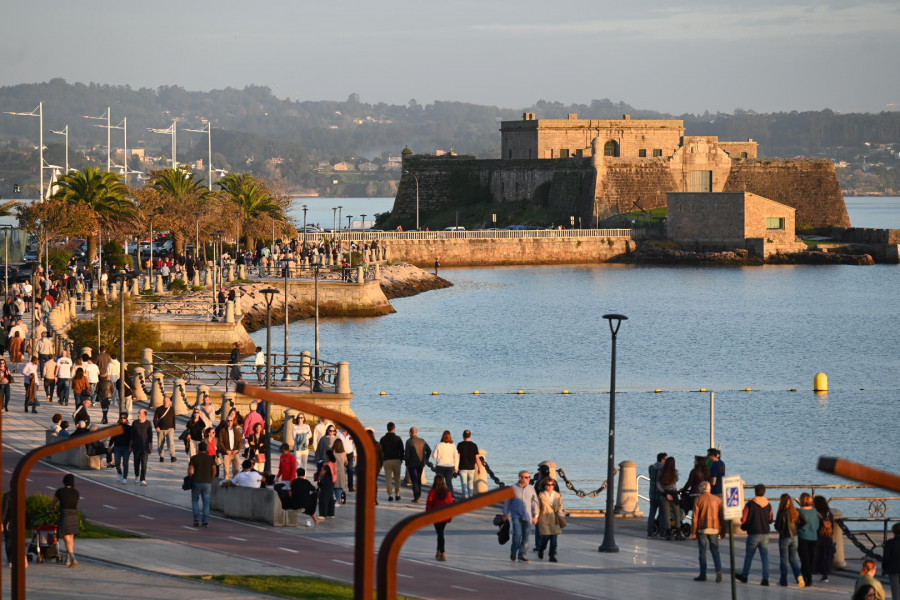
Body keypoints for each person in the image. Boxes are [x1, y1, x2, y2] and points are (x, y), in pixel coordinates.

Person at [736, 483, 773, 586]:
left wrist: (744, 525)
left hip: (753, 533)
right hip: (765, 533)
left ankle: (745, 576)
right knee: (764, 557)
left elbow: (744, 519)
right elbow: (770, 519)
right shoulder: (768, 504)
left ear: (755, 492)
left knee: (749, 556)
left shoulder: (750, 504)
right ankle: (765, 579)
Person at [691, 480, 725, 582]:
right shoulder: (717, 499)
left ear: (701, 488)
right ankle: (718, 570)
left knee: (702, 552)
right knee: (715, 551)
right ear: (710, 488)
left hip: (702, 529)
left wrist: (694, 532)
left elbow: (695, 517)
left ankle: (703, 574)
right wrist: (723, 530)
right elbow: (721, 516)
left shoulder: (698, 499)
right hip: (714, 528)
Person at [503, 470, 539, 562]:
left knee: (526, 537)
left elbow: (535, 502)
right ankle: (514, 551)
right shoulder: (513, 488)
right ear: (520, 478)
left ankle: (522, 554)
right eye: (526, 477)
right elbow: (507, 502)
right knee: (517, 535)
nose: (528, 479)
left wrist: (536, 515)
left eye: (529, 477)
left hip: (528, 516)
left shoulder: (531, 488)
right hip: (516, 516)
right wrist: (505, 514)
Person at [775, 493, 806, 587]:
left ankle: (783, 581)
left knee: (783, 560)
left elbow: (777, 526)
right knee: (793, 559)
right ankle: (799, 576)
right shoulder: (795, 511)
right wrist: (797, 528)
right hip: (794, 537)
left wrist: (781, 530)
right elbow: (805, 521)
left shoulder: (781, 513)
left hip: (784, 538)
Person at [51, 474, 80, 567]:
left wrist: (52, 509)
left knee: (66, 537)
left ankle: (72, 557)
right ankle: (67, 559)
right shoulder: (76, 492)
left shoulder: (60, 491)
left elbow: (54, 502)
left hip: (65, 514)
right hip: (74, 514)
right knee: (71, 537)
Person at [426, 474, 454, 561]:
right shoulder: (448, 492)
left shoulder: (433, 492)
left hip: (436, 516)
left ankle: (443, 553)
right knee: (440, 533)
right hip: (445, 516)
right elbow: (450, 504)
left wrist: (428, 514)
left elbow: (429, 504)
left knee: (440, 534)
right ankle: (438, 551)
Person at [188, 441, 216, 527]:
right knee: (206, 502)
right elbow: (214, 470)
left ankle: (196, 519)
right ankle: (205, 521)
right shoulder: (211, 459)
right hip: (207, 482)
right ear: (206, 449)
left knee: (195, 501)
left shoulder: (194, 458)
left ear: (198, 449)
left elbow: (190, 470)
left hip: (197, 481)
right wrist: (211, 479)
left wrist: (190, 477)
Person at [536, 477, 564, 562]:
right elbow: (538, 507)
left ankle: (551, 556)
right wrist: (536, 516)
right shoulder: (541, 495)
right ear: (544, 486)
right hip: (544, 518)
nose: (550, 486)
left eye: (552, 485)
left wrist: (560, 515)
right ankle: (541, 548)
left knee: (554, 539)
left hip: (555, 519)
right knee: (546, 537)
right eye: (548, 485)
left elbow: (560, 506)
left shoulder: (557, 495)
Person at [657, 456, 685, 540]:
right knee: (676, 513)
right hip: (673, 494)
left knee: (667, 514)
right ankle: (678, 532)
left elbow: (658, 484)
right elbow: (677, 480)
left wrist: (664, 492)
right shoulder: (675, 472)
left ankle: (668, 533)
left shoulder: (661, 472)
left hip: (664, 495)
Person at [404, 427, 431, 503]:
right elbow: (429, 451)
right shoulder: (422, 441)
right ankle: (418, 494)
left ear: (410, 433)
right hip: (420, 464)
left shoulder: (409, 442)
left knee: (414, 481)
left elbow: (407, 455)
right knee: (418, 479)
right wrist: (425, 459)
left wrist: (407, 464)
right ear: (417, 432)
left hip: (412, 464)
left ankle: (416, 496)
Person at [814, 495, 836, 582]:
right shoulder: (829, 514)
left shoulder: (816, 514)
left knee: (817, 556)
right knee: (827, 556)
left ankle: (815, 571)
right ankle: (825, 575)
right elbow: (832, 526)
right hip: (828, 538)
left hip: (818, 538)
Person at [380, 422, 404, 502]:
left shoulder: (383, 439)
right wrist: (401, 459)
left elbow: (381, 451)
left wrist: (382, 460)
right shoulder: (398, 438)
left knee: (388, 479)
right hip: (397, 460)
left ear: (387, 428)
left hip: (387, 461)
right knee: (397, 479)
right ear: (394, 428)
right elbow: (402, 450)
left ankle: (390, 495)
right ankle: (397, 494)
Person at [432, 430, 459, 498]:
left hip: (440, 465)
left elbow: (434, 456)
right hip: (450, 466)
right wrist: (456, 468)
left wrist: (439, 456)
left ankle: (439, 496)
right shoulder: (453, 446)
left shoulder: (438, 445)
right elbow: (456, 457)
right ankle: (451, 496)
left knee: (440, 482)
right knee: (449, 482)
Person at [217, 411, 243, 479]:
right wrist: (226, 451)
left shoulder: (236, 430)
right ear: (226, 421)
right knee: (226, 471)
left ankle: (234, 482)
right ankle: (226, 484)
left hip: (235, 452)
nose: (229, 422)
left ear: (233, 421)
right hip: (226, 453)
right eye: (228, 421)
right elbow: (220, 442)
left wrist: (237, 449)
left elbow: (240, 441)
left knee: (237, 469)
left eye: (231, 421)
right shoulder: (222, 431)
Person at [131, 409, 153, 485]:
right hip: (136, 447)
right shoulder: (135, 423)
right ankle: (137, 475)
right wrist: (130, 446)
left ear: (144, 414)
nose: (138, 414)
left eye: (140, 413)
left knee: (144, 463)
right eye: (138, 413)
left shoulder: (148, 423)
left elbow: (150, 436)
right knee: (136, 463)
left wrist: (151, 446)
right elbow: (132, 436)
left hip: (145, 447)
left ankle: (142, 479)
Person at [647, 452, 667, 537]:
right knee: (662, 514)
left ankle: (650, 532)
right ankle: (662, 533)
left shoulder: (651, 467)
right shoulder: (664, 469)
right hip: (661, 494)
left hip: (652, 493)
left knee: (652, 513)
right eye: (666, 459)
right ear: (662, 459)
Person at [456, 430, 479, 500]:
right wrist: (480, 468)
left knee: (464, 483)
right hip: (471, 467)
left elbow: (457, 457)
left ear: (463, 436)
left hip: (462, 467)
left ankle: (465, 497)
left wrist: (456, 467)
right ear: (470, 436)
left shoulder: (460, 445)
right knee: (470, 483)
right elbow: (477, 458)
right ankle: (470, 497)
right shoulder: (474, 445)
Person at [317, 450, 337, 519]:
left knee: (323, 498)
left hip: (326, 482)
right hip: (332, 482)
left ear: (328, 456)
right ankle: (331, 513)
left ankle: (323, 514)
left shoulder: (328, 465)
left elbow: (322, 473)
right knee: (330, 498)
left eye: (326, 455)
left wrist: (319, 466)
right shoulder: (333, 463)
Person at [884, 522, 900, 600]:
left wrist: (884, 568)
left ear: (893, 532)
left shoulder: (889, 543)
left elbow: (886, 557)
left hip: (893, 569)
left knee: (895, 592)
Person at [332, 438, 348, 505]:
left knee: (332, 487)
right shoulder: (343, 453)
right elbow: (346, 462)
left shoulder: (332, 452)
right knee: (339, 488)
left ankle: (333, 498)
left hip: (333, 472)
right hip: (341, 473)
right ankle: (337, 501)